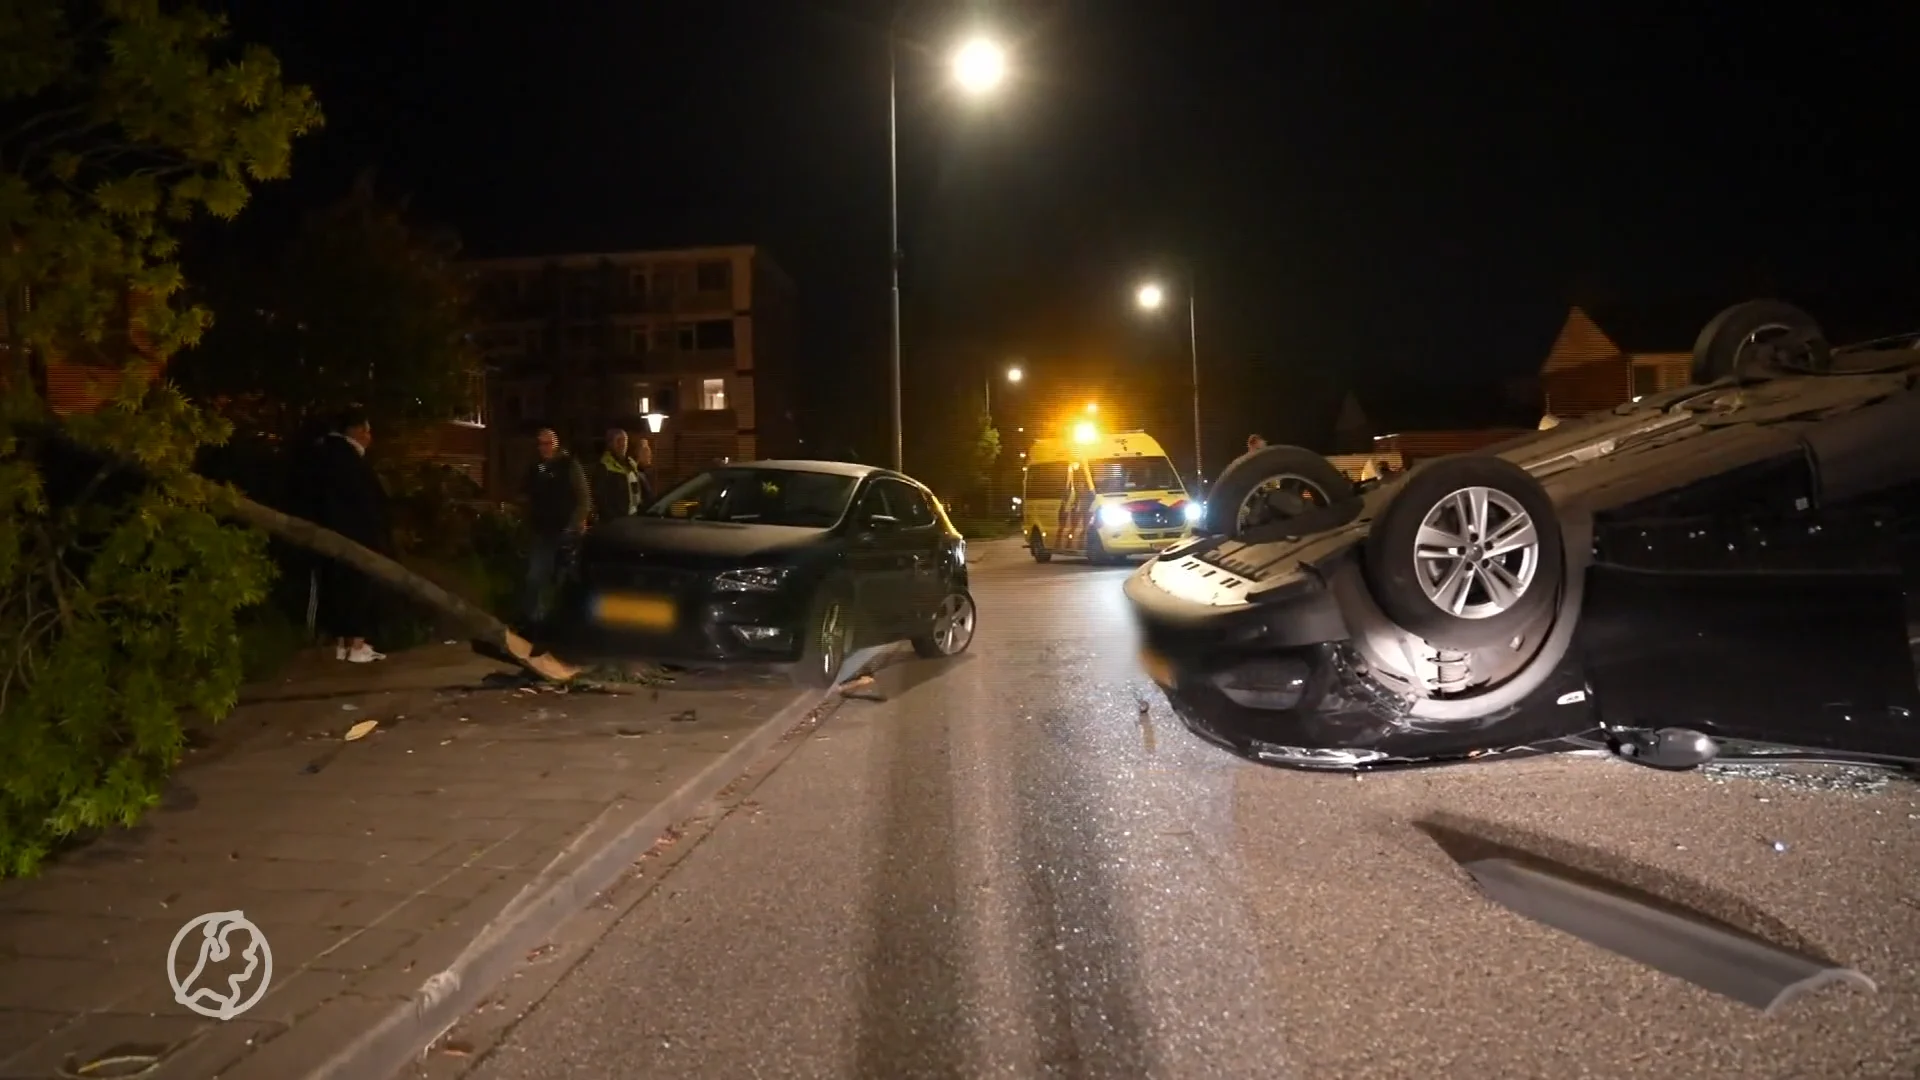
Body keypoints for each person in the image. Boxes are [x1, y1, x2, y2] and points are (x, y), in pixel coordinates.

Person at [313, 408, 391, 663]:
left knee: (338, 585)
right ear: (356, 431)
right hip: (356, 535)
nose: (370, 437)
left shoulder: (326, 455)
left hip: (332, 535)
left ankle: (341, 644)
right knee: (358, 587)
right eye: (367, 430)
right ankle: (356, 644)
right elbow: (365, 501)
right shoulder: (349, 460)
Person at [521, 427, 590, 624]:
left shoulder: (569, 465)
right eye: (541, 444)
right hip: (542, 530)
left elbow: (583, 497)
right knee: (536, 576)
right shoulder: (535, 468)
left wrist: (575, 523)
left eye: (548, 443)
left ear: (556, 444)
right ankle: (532, 619)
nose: (544, 448)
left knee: (565, 578)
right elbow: (526, 493)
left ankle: (568, 620)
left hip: (567, 530)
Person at [590, 427, 643, 525]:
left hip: (634, 517)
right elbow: (600, 498)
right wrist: (613, 519)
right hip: (616, 522)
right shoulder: (604, 467)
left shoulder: (631, 464)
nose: (622, 444)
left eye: (624, 440)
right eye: (618, 441)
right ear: (610, 444)